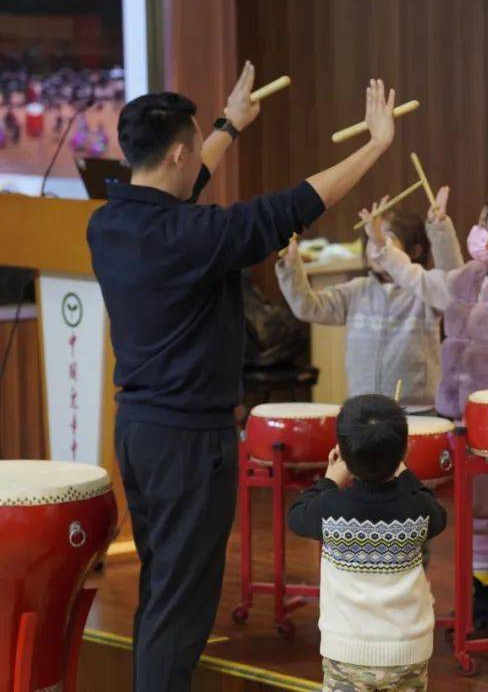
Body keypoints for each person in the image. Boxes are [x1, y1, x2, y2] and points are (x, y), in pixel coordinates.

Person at [87, 64, 398, 691]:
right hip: (188, 444)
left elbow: (182, 180)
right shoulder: (193, 234)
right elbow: (297, 206)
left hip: (141, 434)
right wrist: (377, 144)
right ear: (177, 150)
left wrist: (229, 123)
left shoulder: (109, 224)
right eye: (195, 142)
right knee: (181, 606)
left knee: (164, 588)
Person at [363, 190, 488, 632]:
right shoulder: (467, 277)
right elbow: (418, 279)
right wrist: (382, 246)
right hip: (467, 415)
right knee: (478, 507)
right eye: (485, 224)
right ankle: (483, 585)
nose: (482, 233)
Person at [288, 395, 447, 692]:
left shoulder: (328, 508)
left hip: (347, 653)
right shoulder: (419, 509)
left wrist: (330, 479)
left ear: (344, 453)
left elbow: (297, 515)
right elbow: (437, 512)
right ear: (405, 449)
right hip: (408, 650)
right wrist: (404, 471)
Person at [276, 185, 462, 410]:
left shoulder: (422, 291)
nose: (376, 246)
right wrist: (291, 265)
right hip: (363, 408)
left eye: (386, 239)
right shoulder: (357, 290)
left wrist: (440, 228)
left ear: (415, 251)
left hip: (418, 410)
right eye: (372, 238)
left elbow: (454, 284)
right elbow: (307, 307)